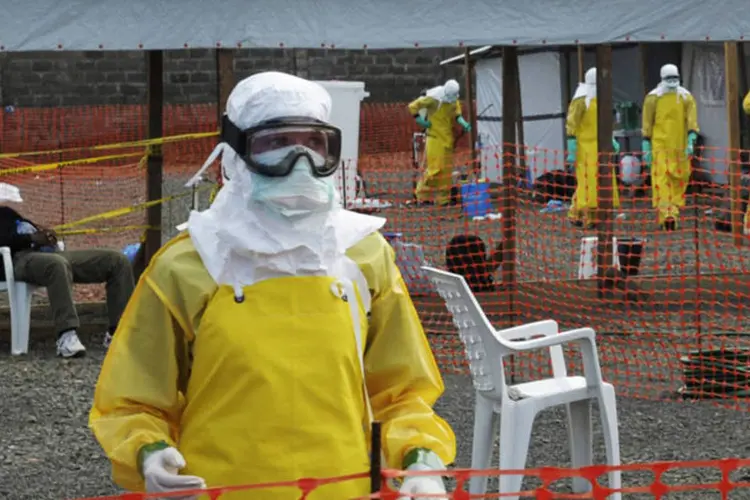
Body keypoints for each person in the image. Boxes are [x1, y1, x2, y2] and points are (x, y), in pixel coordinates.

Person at [89, 71, 455, 500]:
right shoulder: (189, 264)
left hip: (343, 488)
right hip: (218, 489)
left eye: (315, 146)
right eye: (275, 145)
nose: (298, 164)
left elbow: (401, 391)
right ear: (234, 154)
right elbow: (134, 397)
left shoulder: (363, 256)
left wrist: (421, 461)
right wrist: (149, 452)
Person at [0, 183, 134, 357]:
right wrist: (30, 239)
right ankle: (66, 335)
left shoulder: (7, 213)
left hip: (47, 254)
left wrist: (45, 235)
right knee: (56, 265)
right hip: (17, 260)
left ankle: (119, 332)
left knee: (116, 260)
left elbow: (28, 230)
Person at [641, 63, 699, 231]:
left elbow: (692, 121)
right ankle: (668, 214)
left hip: (680, 147)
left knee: (679, 180)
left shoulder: (686, 97)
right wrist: (646, 143)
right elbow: (647, 121)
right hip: (660, 146)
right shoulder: (653, 98)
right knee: (662, 180)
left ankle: (669, 214)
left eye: (675, 78)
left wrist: (691, 139)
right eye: (669, 78)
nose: (672, 81)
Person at [565, 67, 621, 228]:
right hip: (584, 147)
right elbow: (572, 123)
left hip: (601, 147)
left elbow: (605, 122)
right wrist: (572, 146)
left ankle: (587, 216)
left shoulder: (603, 97)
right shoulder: (581, 99)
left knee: (599, 182)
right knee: (587, 182)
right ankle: (582, 215)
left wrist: (611, 139)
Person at [407, 79, 471, 206]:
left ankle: (444, 200)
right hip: (434, 138)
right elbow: (413, 106)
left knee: (446, 173)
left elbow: (457, 114)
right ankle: (421, 195)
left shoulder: (454, 100)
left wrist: (462, 122)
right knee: (435, 169)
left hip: (447, 140)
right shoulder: (434, 98)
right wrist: (420, 120)